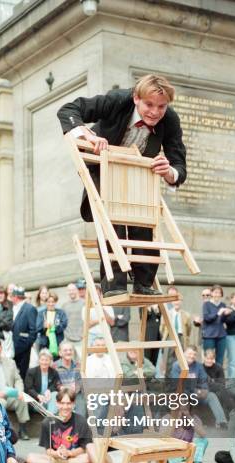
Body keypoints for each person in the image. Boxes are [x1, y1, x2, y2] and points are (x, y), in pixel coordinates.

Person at [58, 73, 186, 298]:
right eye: (149, 104)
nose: (155, 112)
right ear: (136, 98)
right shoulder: (117, 100)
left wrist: (169, 171)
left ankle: (144, 283)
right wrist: (87, 136)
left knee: (144, 219)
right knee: (112, 218)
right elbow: (69, 110)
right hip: (101, 165)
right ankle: (114, 285)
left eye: (161, 107)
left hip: (137, 170)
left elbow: (179, 164)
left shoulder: (170, 119)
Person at [26, 388, 93, 463]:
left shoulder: (81, 421)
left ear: (73, 404)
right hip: (54, 459)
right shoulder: (47, 422)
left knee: (89, 458)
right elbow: (48, 450)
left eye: (68, 403)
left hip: (73, 459)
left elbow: (83, 448)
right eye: (62, 403)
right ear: (57, 404)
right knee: (30, 458)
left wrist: (69, 453)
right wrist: (57, 453)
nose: (65, 407)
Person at [171, 346, 227, 428]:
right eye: (190, 353)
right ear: (184, 354)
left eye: (194, 354)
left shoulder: (198, 366)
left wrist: (203, 389)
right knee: (184, 396)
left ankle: (221, 421)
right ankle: (184, 423)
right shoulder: (177, 365)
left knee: (211, 396)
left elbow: (203, 380)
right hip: (182, 393)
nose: (192, 356)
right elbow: (177, 383)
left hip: (195, 392)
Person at [0, 337, 30, 441]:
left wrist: (19, 391)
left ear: (1, 348)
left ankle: (23, 429)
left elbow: (18, 379)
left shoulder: (10, 362)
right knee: (0, 403)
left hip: (10, 394)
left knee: (22, 399)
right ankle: (3, 431)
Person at [160, 292, 192, 377]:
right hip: (170, 337)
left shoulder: (186, 315)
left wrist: (185, 338)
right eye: (175, 300)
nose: (177, 302)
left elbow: (189, 329)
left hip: (181, 337)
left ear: (181, 302)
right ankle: (168, 381)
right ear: (172, 302)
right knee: (168, 360)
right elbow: (162, 328)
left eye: (179, 300)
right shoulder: (167, 313)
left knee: (180, 359)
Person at [12, 287, 37, 380]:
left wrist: (27, 345)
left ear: (15, 297)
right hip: (12, 346)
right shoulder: (12, 308)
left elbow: (33, 330)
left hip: (23, 347)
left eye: (12, 296)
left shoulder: (30, 308)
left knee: (22, 374)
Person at [202, 285, 231, 366]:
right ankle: (207, 378)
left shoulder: (223, 304)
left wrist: (226, 314)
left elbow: (223, 320)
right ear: (211, 293)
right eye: (215, 292)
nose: (217, 294)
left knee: (220, 359)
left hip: (221, 335)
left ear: (221, 295)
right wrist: (218, 313)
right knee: (208, 357)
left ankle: (218, 378)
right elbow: (207, 318)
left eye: (219, 293)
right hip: (209, 335)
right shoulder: (206, 304)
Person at [25, 349, 61, 414]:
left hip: (48, 400)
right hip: (36, 402)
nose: (44, 362)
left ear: (50, 361)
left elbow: (55, 385)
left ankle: (50, 416)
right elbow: (29, 388)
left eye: (47, 360)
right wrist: (38, 396)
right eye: (42, 360)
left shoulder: (54, 372)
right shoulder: (31, 372)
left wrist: (49, 390)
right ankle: (51, 416)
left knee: (55, 394)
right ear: (39, 360)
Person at [202, 349, 234, 418]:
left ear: (214, 359)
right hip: (205, 389)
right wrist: (212, 382)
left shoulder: (218, 367)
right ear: (204, 358)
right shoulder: (200, 368)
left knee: (220, 394)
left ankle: (224, 418)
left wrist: (212, 382)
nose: (209, 361)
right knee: (220, 389)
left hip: (217, 388)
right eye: (207, 358)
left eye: (211, 359)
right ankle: (231, 409)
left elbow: (222, 382)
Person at [36, 292, 68, 360]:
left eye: (53, 301)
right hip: (44, 344)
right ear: (45, 302)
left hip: (57, 343)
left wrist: (54, 327)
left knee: (57, 363)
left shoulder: (61, 313)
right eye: (48, 302)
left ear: (56, 302)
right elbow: (37, 327)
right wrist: (44, 326)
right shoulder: (40, 313)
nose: (51, 304)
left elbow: (64, 324)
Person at [61, 284, 84, 356]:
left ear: (77, 290)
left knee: (82, 362)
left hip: (82, 339)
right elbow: (63, 322)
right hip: (68, 340)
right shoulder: (64, 305)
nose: (71, 292)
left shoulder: (84, 303)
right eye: (69, 290)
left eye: (73, 290)